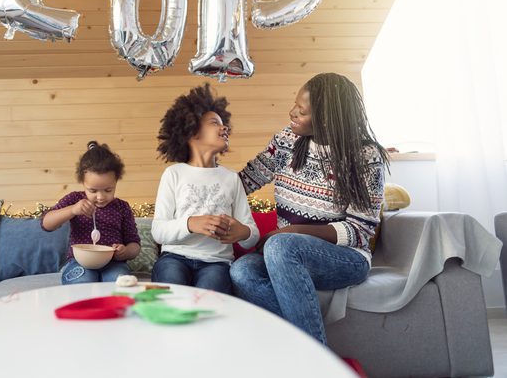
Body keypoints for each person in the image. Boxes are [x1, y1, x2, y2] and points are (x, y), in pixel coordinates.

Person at [230, 72, 388, 345]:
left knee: (281, 246)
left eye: (301, 111)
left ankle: (313, 365)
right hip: (285, 254)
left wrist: (291, 231)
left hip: (345, 258)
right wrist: (198, 176)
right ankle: (309, 349)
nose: (291, 113)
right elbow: (244, 181)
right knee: (242, 270)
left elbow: (360, 230)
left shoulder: (365, 156)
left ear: (325, 119)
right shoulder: (285, 142)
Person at [151, 84, 259, 294]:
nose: (224, 128)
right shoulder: (174, 174)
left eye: (223, 124)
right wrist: (190, 223)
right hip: (174, 257)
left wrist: (243, 232)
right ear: (193, 132)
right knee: (171, 287)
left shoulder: (231, 179)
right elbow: (158, 232)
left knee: (210, 296)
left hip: (216, 263)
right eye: (214, 123)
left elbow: (252, 235)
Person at [42, 141, 141, 284]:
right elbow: (46, 223)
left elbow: (135, 245)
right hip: (79, 263)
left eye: (108, 190)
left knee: (118, 283)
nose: (100, 197)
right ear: (83, 183)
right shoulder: (75, 199)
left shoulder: (122, 207)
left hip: (113, 264)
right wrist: (73, 210)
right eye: (93, 191)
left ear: (116, 182)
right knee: (83, 281)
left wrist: (125, 252)